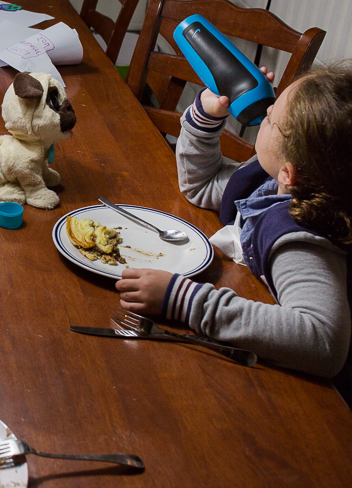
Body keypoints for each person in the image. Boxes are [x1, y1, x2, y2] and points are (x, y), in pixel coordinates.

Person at [116, 63, 352, 385]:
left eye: (271, 118)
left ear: (289, 172)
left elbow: (323, 342)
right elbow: (202, 185)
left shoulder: (301, 241)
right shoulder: (271, 183)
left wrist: (185, 301)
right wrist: (207, 117)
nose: (266, 109)